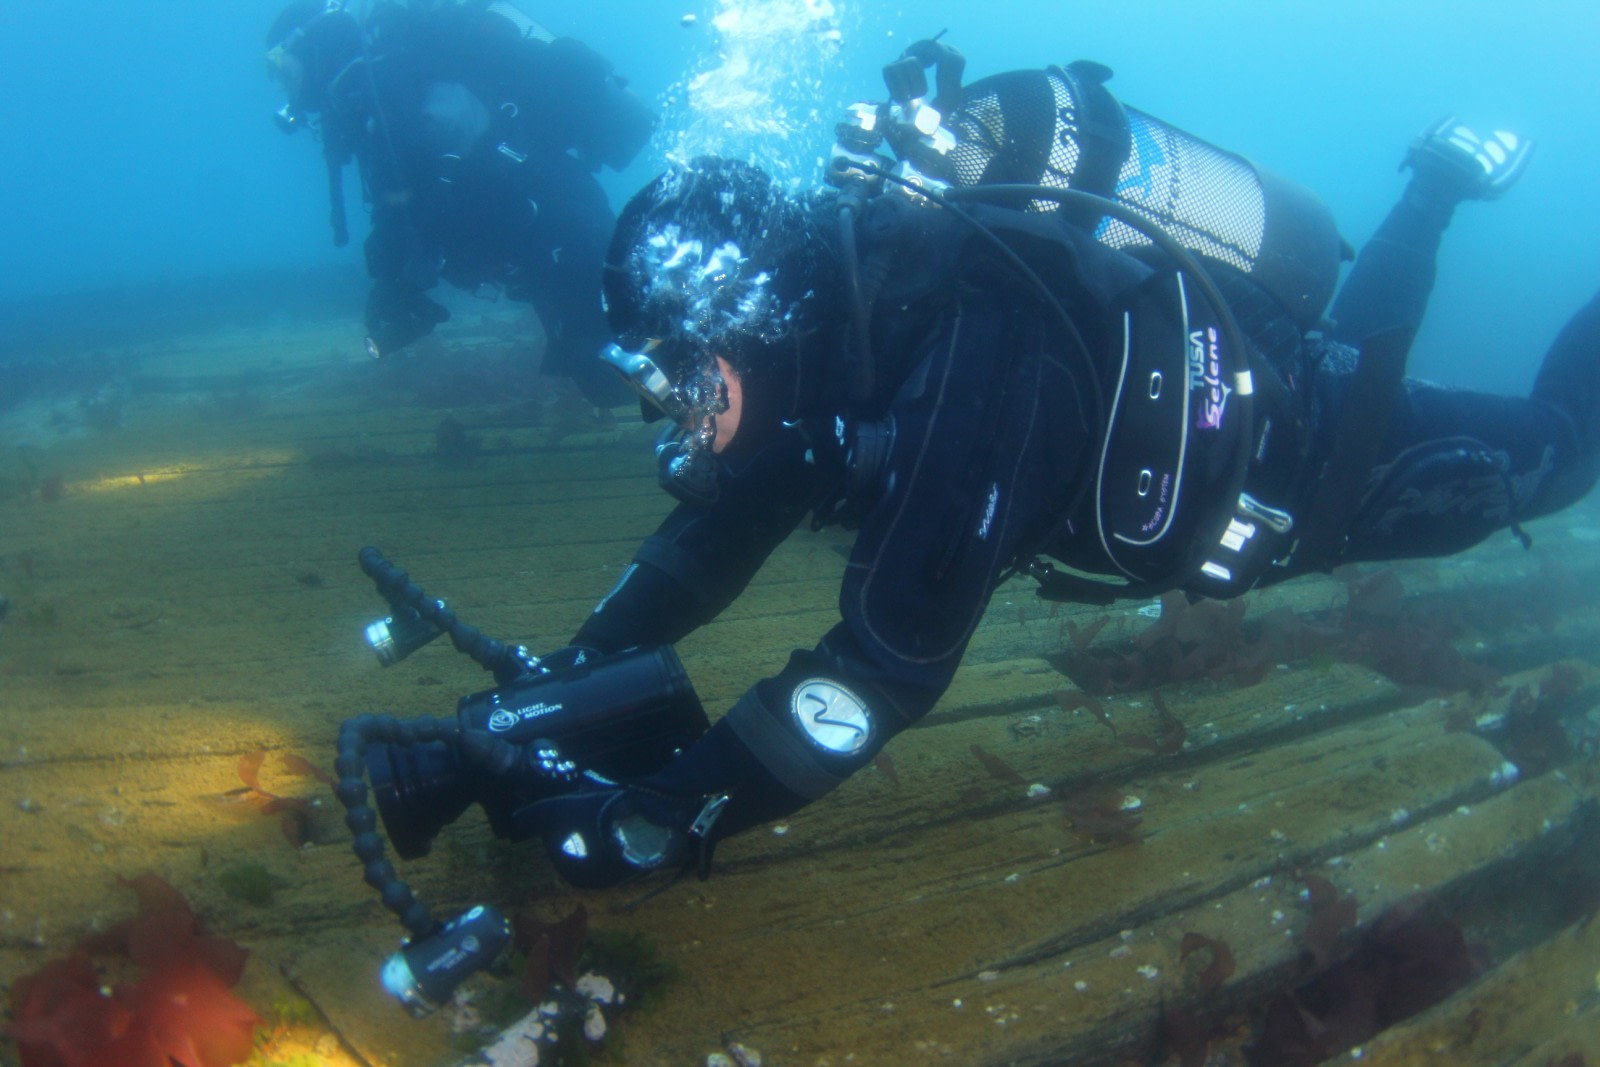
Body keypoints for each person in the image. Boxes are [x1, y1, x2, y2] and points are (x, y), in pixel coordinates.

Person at [387, 48, 1599, 894]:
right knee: (1355, 353)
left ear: (752, 322)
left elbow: (877, 674)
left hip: (1311, 468)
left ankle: (1434, 193)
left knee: (1556, 453)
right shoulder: (841, 347)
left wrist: (651, 823)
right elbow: (718, 537)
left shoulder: (982, 355)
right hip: (1276, 383)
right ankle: (1430, 190)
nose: (677, 416)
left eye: (688, 374)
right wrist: (567, 679)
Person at [265, 0, 655, 406]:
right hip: (553, 227)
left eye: (281, 69)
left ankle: (716, 421)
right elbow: (424, 197)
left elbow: (409, 202)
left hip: (556, 230)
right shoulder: (383, 83)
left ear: (310, 48)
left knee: (612, 367)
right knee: (612, 365)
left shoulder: (380, 90)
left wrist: (398, 279)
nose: (283, 87)